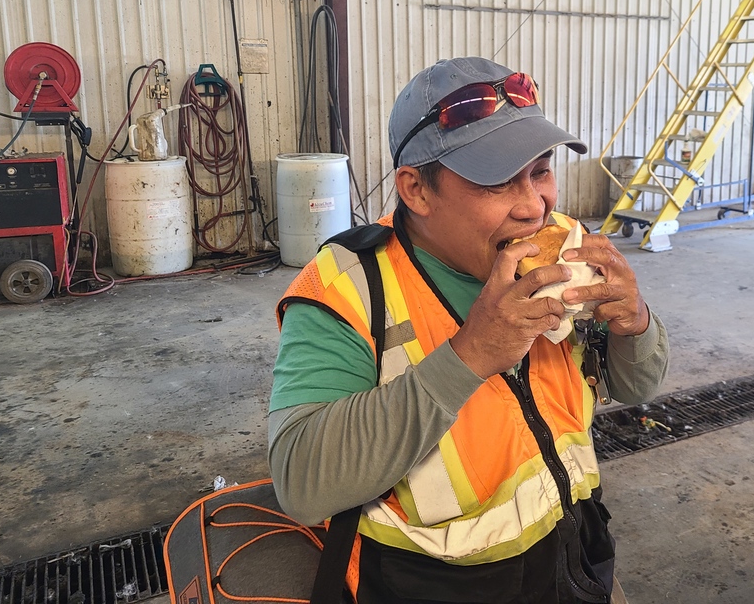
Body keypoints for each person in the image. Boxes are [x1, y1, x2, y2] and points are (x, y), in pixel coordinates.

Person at [269, 57, 669, 603]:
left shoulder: (567, 246)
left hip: (577, 553)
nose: (535, 207)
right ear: (417, 191)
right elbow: (301, 481)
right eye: (499, 181)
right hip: (434, 584)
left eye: (541, 170)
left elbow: (637, 387)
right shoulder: (348, 286)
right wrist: (470, 356)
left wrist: (634, 324)